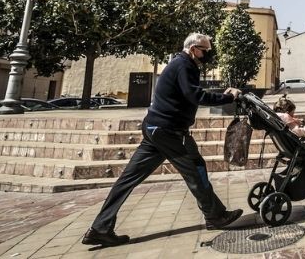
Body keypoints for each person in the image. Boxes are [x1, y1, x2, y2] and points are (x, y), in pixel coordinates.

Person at [82, 33, 244, 248]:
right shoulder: (185, 65)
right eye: (206, 51)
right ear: (194, 48)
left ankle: (100, 228)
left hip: (156, 128)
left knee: (128, 179)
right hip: (168, 131)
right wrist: (228, 97)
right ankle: (215, 216)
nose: (208, 55)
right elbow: (194, 95)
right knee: (195, 170)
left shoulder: (179, 63)